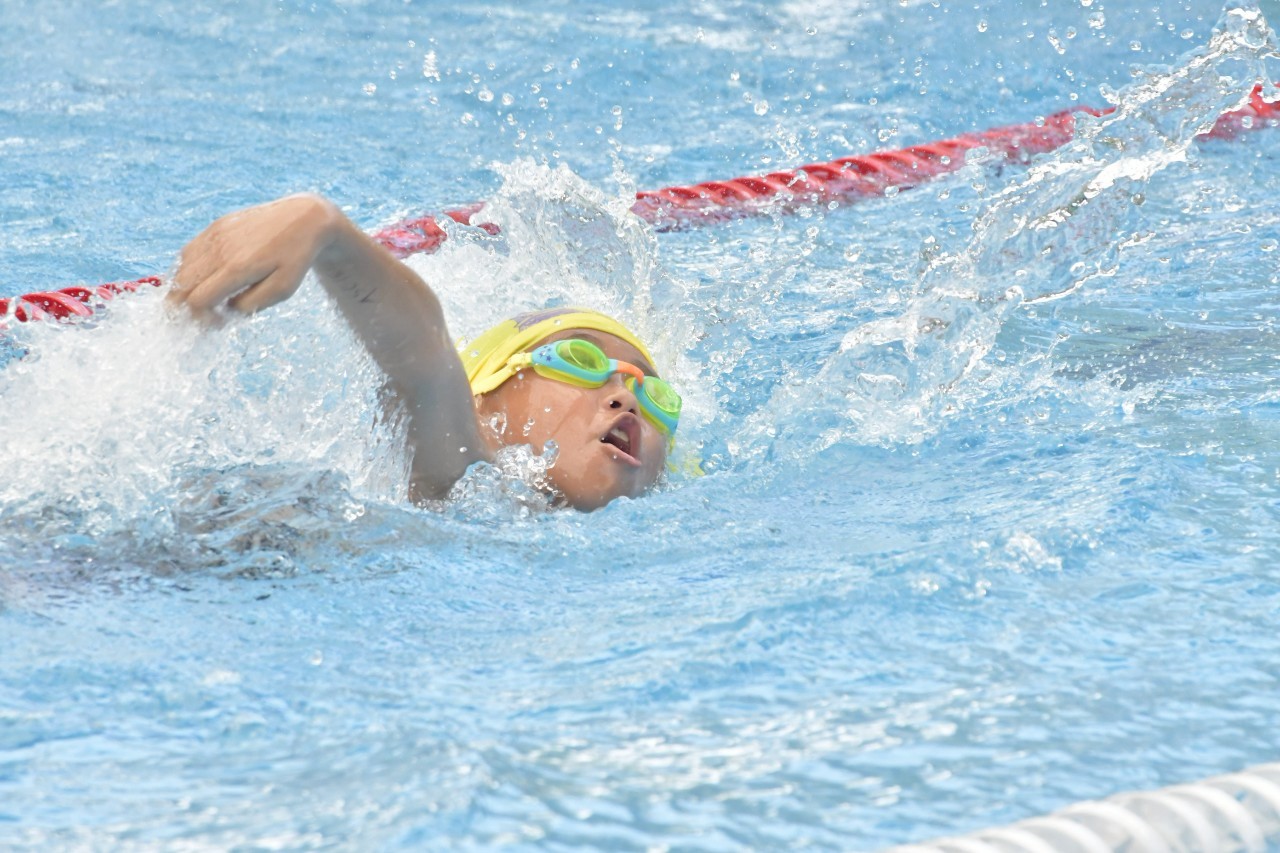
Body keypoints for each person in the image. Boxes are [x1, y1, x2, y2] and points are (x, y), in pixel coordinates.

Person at [168, 193, 680, 511]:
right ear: (482, 397)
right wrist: (324, 231)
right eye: (580, 360)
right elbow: (424, 360)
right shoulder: (462, 474)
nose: (625, 399)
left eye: (654, 395)